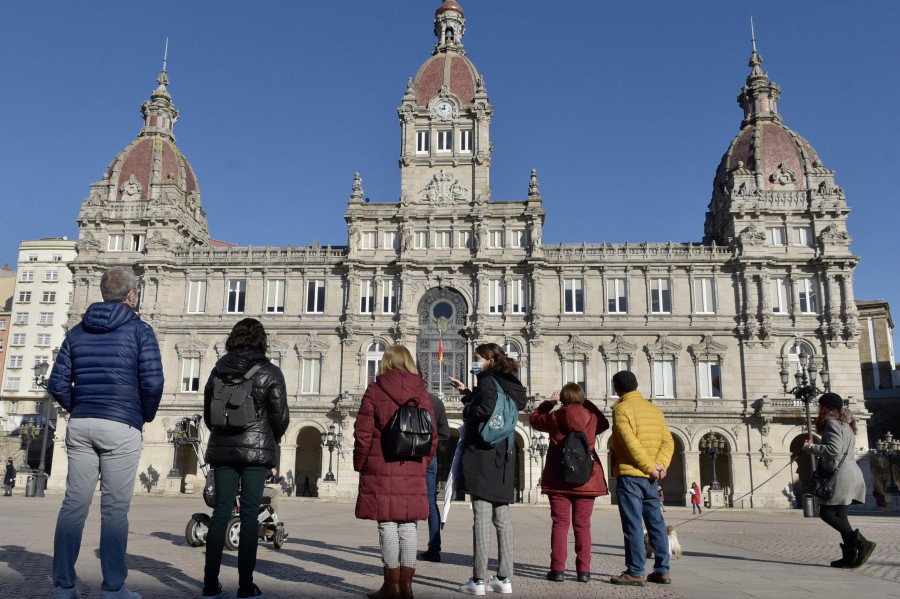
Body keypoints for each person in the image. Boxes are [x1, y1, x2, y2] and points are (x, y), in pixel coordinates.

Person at [48, 266, 164, 599]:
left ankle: (63, 586)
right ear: (132, 295)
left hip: (81, 423)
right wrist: (141, 415)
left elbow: (57, 381)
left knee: (73, 505)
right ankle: (113, 588)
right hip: (122, 424)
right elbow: (153, 381)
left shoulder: (77, 332)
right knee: (114, 511)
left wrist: (80, 406)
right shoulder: (140, 331)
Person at [202, 318, 289, 599]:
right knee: (250, 515)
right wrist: (269, 440)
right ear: (261, 339)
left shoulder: (218, 370)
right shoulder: (270, 371)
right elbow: (280, 417)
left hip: (223, 448)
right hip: (256, 451)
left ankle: (210, 585)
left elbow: (208, 412)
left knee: (220, 513)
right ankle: (245, 586)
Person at [354, 344, 437, 599]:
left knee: (387, 524)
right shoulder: (422, 392)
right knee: (408, 525)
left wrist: (360, 463)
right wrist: (422, 463)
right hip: (412, 466)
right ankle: (407, 586)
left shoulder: (375, 389)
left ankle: (391, 585)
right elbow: (432, 436)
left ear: (386, 362)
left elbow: (363, 433)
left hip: (381, 464)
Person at [449, 343, 528, 596]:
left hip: (482, 452)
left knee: (481, 516)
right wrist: (469, 393)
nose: (475, 361)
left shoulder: (486, 379)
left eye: (477, 357)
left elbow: (484, 409)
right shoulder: (511, 383)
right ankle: (504, 578)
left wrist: (467, 408)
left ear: (490, 360)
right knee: (502, 517)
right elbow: (497, 406)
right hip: (504, 453)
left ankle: (479, 580)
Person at [529, 383, 609, 583]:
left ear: (562, 398)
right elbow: (605, 423)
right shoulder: (591, 418)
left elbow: (534, 419)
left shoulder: (555, 417)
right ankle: (584, 571)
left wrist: (550, 402)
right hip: (586, 480)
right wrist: (585, 402)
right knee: (583, 525)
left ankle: (557, 570)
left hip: (559, 477)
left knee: (560, 524)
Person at [608, 371, 674, 587]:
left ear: (616, 388)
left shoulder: (621, 408)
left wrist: (649, 467)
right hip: (651, 479)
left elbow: (629, 443)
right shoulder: (654, 410)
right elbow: (668, 441)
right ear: (636, 385)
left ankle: (636, 571)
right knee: (656, 523)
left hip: (631, 476)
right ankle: (662, 571)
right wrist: (660, 467)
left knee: (633, 525)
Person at [803, 392, 876, 568]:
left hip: (841, 475)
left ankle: (861, 543)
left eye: (820, 406)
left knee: (826, 513)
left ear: (826, 408)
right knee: (841, 515)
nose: (818, 409)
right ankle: (850, 557)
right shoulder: (846, 424)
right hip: (851, 472)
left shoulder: (832, 423)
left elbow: (834, 450)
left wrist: (810, 447)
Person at [419, 392, 450, 563]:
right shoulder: (436, 401)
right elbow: (445, 433)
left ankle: (408, 547)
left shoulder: (407, 397)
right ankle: (434, 549)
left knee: (412, 500)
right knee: (431, 502)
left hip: (410, 456)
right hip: (430, 456)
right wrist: (432, 444)